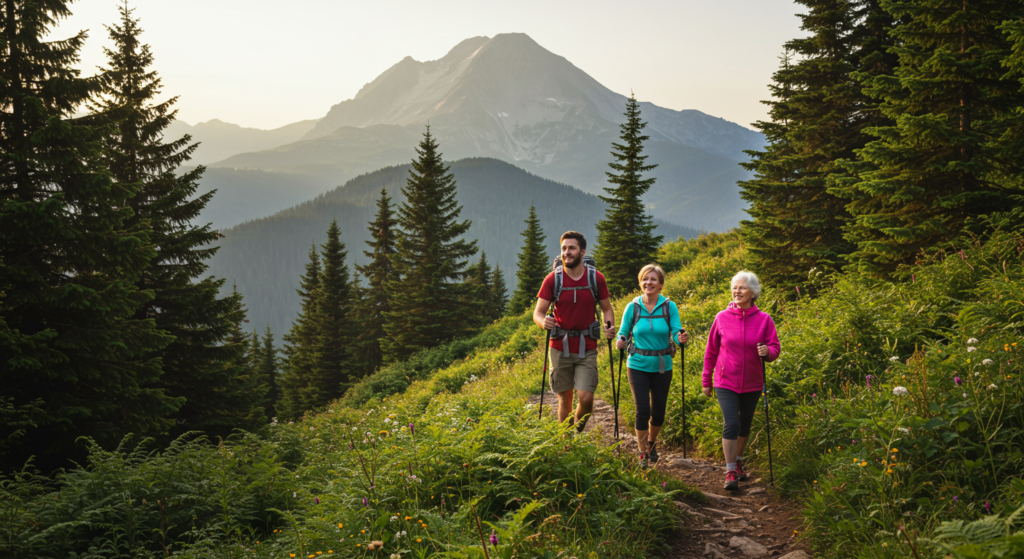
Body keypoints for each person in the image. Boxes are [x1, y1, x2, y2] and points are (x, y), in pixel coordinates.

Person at [702, 270, 780, 490]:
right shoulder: (721, 317)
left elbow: (774, 348)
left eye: (742, 287)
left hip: (753, 383)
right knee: (732, 423)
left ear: (753, 292)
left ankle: (737, 461)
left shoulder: (764, 319)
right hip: (725, 381)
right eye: (734, 287)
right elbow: (711, 351)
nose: (737, 291)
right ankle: (729, 471)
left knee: (744, 426)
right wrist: (706, 380)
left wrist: (768, 352)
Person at [533, 231, 615, 431]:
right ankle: (567, 445)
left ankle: (575, 432)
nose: (566, 252)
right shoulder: (553, 279)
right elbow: (538, 313)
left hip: (587, 345)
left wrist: (609, 326)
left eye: (571, 248)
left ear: (582, 251)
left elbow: (607, 308)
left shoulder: (596, 278)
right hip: (560, 345)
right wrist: (544, 323)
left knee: (586, 400)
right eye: (563, 248)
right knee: (565, 399)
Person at [616, 264, 690, 468]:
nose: (648, 282)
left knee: (658, 412)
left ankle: (651, 443)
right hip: (637, 364)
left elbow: (675, 330)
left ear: (661, 284)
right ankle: (643, 454)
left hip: (662, 365)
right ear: (640, 282)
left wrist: (681, 337)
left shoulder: (669, 306)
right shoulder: (633, 307)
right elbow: (623, 331)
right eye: (645, 279)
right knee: (642, 409)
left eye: (653, 279)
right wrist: (620, 340)